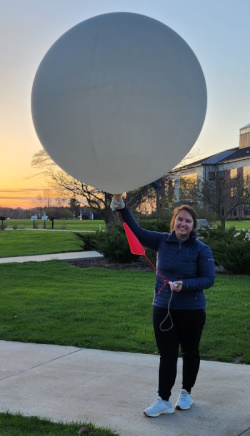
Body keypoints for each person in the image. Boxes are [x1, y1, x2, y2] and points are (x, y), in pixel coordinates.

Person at [111, 195, 215, 417]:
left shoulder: (201, 249)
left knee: (190, 352)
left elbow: (208, 280)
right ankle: (164, 400)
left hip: (192, 310)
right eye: (180, 219)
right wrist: (122, 208)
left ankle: (186, 393)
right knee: (167, 355)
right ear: (173, 222)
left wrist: (184, 285)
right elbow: (136, 231)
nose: (183, 224)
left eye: (188, 221)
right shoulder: (161, 241)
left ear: (193, 225)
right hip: (162, 308)